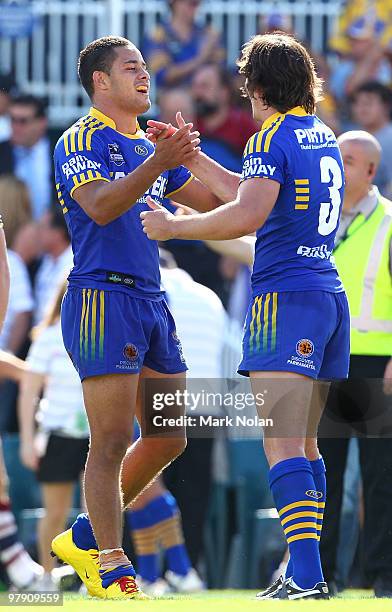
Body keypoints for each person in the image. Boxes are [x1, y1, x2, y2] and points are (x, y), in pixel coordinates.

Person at [143, 32, 350, 600]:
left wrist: (175, 226)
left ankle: (305, 574)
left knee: (282, 445)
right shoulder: (320, 134)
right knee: (305, 446)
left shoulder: (271, 134)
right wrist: (193, 158)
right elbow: (254, 195)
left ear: (256, 86)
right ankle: (308, 570)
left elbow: (248, 215)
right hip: (326, 296)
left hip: (284, 298)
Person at [51, 35, 220, 600]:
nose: (144, 75)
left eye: (146, 66)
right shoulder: (81, 138)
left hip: (152, 298)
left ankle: (84, 534)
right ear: (101, 81)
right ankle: (115, 567)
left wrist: (191, 157)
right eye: (131, 68)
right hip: (103, 298)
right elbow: (100, 206)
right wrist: (160, 162)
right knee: (111, 438)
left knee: (170, 437)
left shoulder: (147, 142)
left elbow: (214, 203)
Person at [317, 131, 392, 598]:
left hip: (375, 363)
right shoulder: (319, 216)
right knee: (321, 471)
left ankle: (383, 575)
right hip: (324, 361)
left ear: (370, 171)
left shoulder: (389, 221)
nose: (337, 167)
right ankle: (319, 575)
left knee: (380, 475)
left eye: (346, 160)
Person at [18, 280, 89, 592]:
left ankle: (98, 577)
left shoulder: (100, 334)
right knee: (55, 513)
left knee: (97, 512)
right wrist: (26, 439)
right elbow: (29, 390)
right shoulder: (48, 337)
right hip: (58, 434)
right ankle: (47, 578)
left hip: (95, 435)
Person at [143, 0, 224, 90]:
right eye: (191, 4)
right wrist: (200, 59)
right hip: (171, 95)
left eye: (197, 4)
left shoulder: (208, 33)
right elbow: (163, 75)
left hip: (204, 95)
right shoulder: (158, 34)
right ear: (174, 4)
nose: (195, 8)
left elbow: (220, 71)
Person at [192, 64, 258, 172]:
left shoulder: (243, 125)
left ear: (224, 92)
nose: (197, 92)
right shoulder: (189, 122)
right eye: (195, 86)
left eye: (204, 86)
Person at [0, 95, 52, 220]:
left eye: (23, 121)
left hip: (54, 232)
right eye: (12, 120)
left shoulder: (60, 151)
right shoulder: (1, 151)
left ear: (42, 122)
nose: (16, 127)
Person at [350, 81, 392, 198]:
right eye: (357, 103)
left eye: (368, 103)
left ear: (386, 106)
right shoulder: (352, 137)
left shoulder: (390, 138)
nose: (362, 108)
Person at [34, 206, 72, 324]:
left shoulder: (74, 263)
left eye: (42, 228)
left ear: (58, 233)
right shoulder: (46, 262)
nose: (37, 233)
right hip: (42, 335)